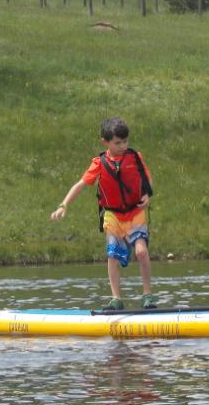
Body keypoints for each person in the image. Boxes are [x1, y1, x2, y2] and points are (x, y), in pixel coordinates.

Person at [50, 117, 156, 311]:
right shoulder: (99, 163)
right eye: (118, 143)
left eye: (125, 141)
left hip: (135, 213)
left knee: (141, 251)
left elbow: (146, 177)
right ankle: (116, 299)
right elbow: (81, 184)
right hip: (113, 215)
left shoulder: (134, 157)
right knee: (112, 256)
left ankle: (147, 295)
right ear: (105, 142)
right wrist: (63, 205)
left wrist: (147, 194)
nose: (123, 146)